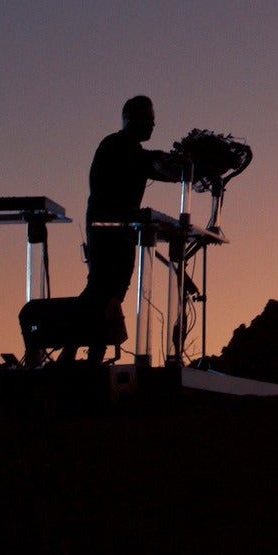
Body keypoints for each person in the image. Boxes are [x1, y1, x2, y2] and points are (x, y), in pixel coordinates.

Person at [79, 95, 184, 360]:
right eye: (148, 118)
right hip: (108, 236)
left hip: (121, 235)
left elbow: (154, 166)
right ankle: (74, 356)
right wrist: (179, 161)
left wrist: (182, 168)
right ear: (129, 117)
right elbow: (150, 163)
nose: (153, 125)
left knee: (109, 297)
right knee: (100, 295)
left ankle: (91, 356)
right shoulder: (116, 146)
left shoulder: (128, 150)